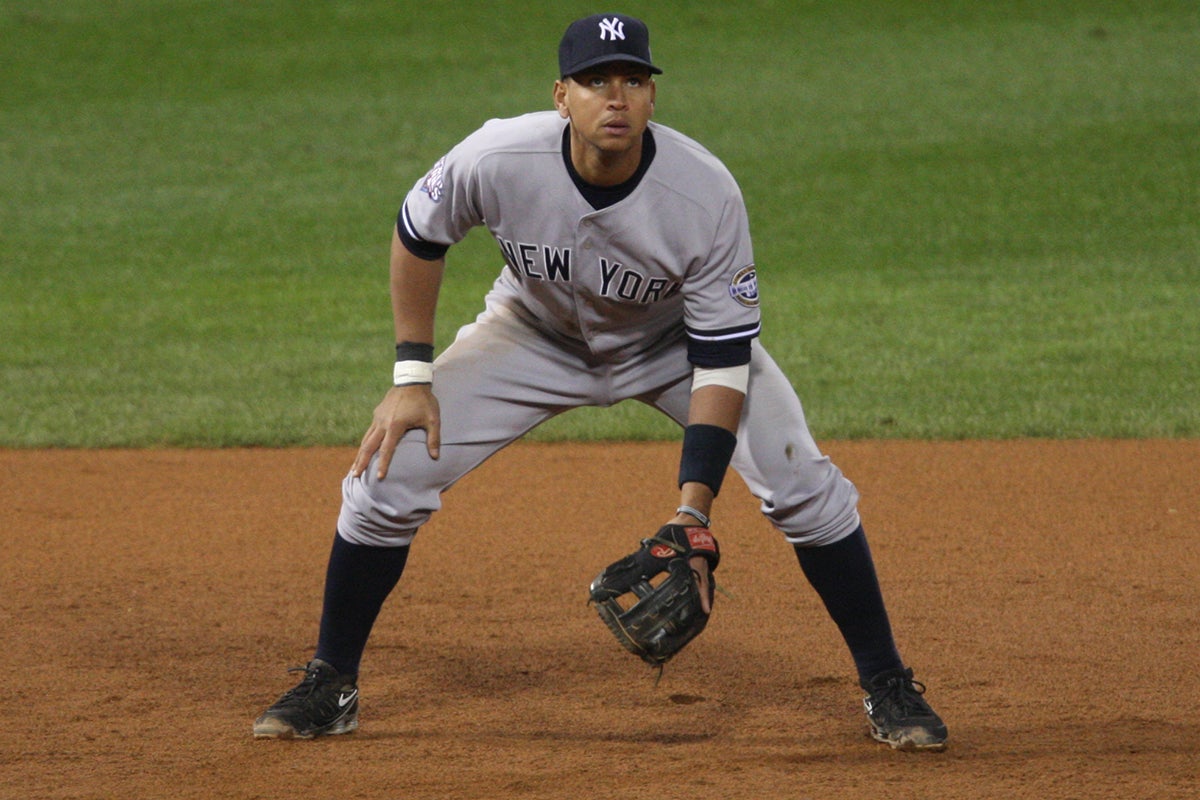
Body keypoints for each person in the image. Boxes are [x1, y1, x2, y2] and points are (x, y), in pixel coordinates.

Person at [253, 12, 947, 751]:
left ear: (652, 99)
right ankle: (331, 680)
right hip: (529, 334)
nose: (616, 97)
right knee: (385, 478)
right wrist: (412, 375)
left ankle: (886, 682)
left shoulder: (703, 194)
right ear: (561, 95)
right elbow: (418, 235)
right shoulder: (496, 156)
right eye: (596, 81)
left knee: (803, 481)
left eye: (634, 81)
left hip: (672, 346)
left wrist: (692, 510)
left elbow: (721, 358)